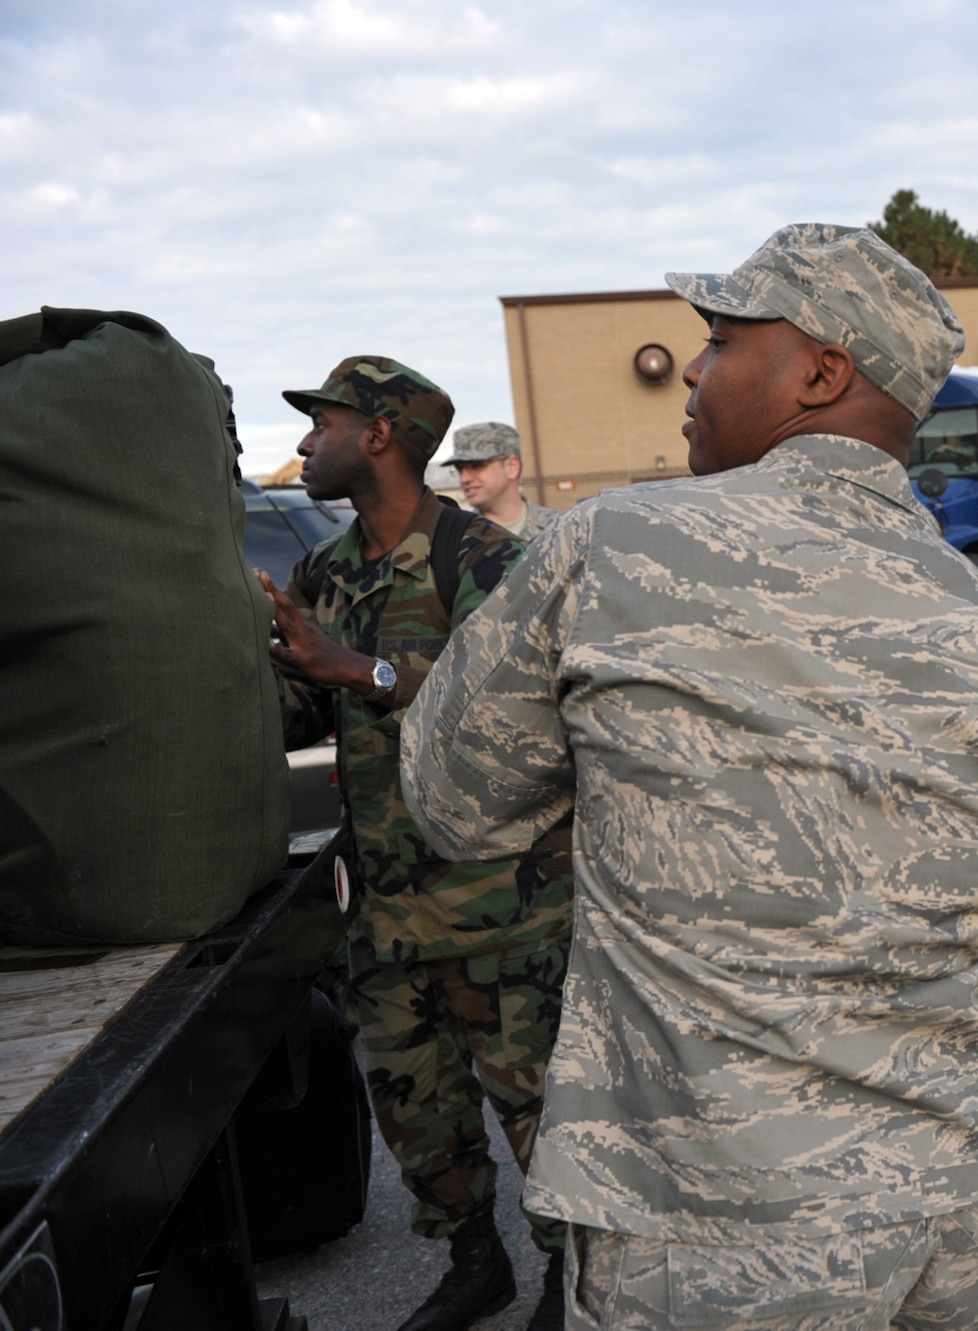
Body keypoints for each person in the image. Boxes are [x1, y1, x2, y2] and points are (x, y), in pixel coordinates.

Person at [401, 223, 978, 1331]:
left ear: (821, 372)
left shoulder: (613, 544)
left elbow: (452, 801)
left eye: (718, 339)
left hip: (717, 1225)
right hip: (954, 1215)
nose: (695, 372)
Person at [260, 357, 574, 1331]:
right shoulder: (325, 570)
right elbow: (301, 704)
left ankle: (576, 1283)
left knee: (542, 1115)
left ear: (381, 433)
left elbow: (510, 706)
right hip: (389, 910)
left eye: (322, 422)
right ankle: (475, 1261)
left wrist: (354, 665)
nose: (307, 443)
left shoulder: (485, 558)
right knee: (418, 1112)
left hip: (503, 907)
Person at [441, 421, 560, 540]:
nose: (464, 479)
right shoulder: (455, 538)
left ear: (512, 467)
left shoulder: (559, 529)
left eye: (477, 465)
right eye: (459, 468)